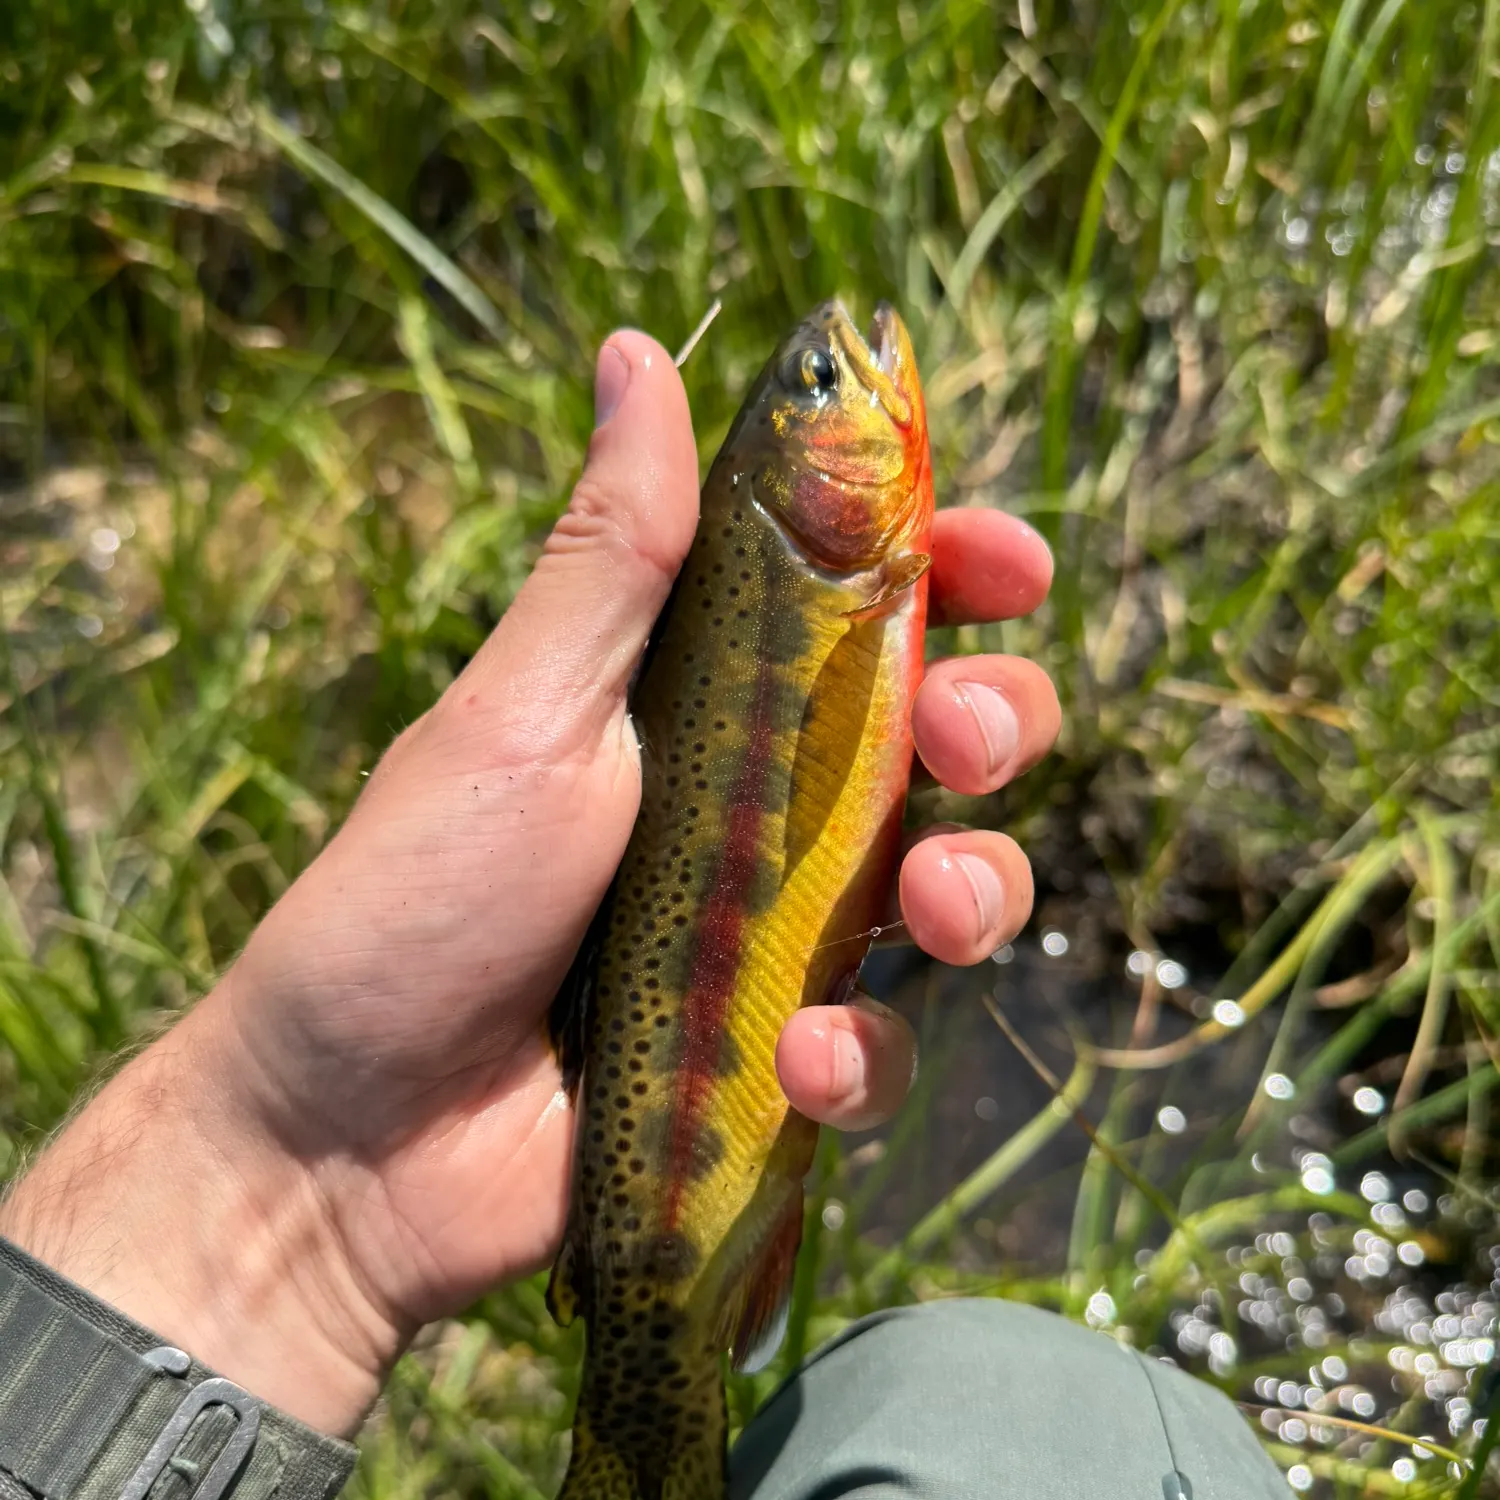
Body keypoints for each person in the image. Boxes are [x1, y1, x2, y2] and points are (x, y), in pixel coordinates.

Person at [0, 333, 1284, 1499]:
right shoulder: (816, 583)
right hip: (649, 1154)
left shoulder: (842, 583)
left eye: (816, 382)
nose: (858, 364)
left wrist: (274, 1173)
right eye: (822, 388)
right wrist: (285, 1145)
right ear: (788, 498)